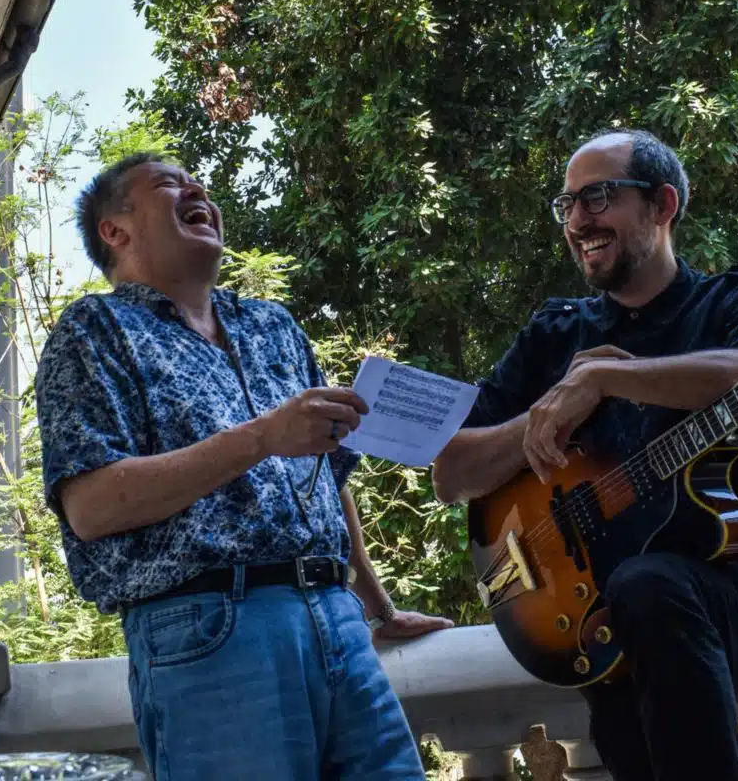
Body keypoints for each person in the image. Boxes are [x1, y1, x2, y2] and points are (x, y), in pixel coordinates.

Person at [36, 152, 452, 781]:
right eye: (169, 185)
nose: (197, 188)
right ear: (114, 231)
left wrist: (376, 605)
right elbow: (91, 508)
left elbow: (326, 480)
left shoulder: (272, 325)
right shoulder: (94, 328)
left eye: (197, 181)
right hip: (209, 628)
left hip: (336, 617)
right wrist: (262, 437)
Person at [431, 129, 738, 781]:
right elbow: (451, 473)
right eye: (569, 204)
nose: (579, 220)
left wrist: (610, 379)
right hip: (597, 620)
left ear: (662, 205)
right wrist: (549, 409)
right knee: (628, 670)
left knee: (649, 585)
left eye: (599, 198)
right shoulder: (557, 333)